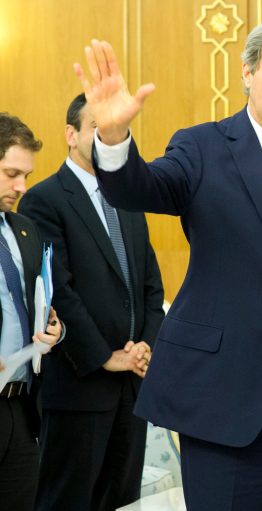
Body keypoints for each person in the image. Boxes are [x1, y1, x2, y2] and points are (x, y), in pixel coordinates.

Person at [75, 13, 262, 511]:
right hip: (222, 397)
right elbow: (141, 189)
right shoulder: (201, 146)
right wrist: (112, 140)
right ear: (248, 72)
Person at [18, 94, 165, 511]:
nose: (107, 138)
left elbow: (151, 287)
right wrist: (105, 356)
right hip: (78, 387)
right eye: (98, 128)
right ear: (71, 134)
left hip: (131, 388)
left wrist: (145, 345)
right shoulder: (44, 200)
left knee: (124, 502)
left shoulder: (128, 198)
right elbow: (58, 292)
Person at [0, 113, 63, 511]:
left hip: (21, 409)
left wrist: (55, 329)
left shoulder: (24, 230)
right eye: (11, 174)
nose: (22, 187)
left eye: (26, 176)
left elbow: (39, 303)